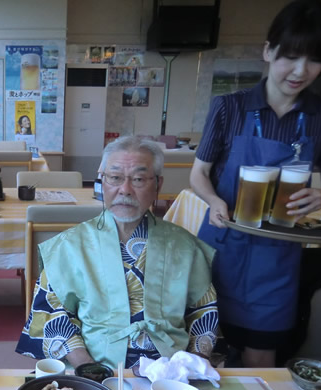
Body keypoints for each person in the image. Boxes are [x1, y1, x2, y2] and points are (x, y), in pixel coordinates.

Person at [189, 0, 321, 368]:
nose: (300, 70)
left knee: (262, 350)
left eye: (314, 60)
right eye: (290, 56)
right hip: (223, 242)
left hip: (278, 252)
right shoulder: (229, 107)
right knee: (206, 344)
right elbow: (199, 173)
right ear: (268, 51)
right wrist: (213, 200)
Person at [16, 137, 219, 371]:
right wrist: (87, 367)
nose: (125, 190)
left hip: (172, 371)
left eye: (138, 179)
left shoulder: (185, 246)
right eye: (115, 178)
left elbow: (204, 313)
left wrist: (194, 367)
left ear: (158, 185)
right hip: (95, 367)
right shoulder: (69, 246)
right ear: (102, 181)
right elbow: (53, 314)